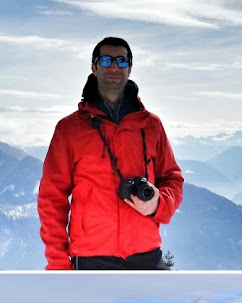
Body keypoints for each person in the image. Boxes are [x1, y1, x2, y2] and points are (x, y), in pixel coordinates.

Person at [38, 36, 184, 270]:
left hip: (147, 254)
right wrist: (58, 264)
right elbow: (51, 198)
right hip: (91, 257)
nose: (114, 67)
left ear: (130, 68)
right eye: (106, 60)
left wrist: (159, 203)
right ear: (94, 67)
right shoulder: (70, 129)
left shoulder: (151, 125)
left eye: (121, 61)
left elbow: (173, 179)